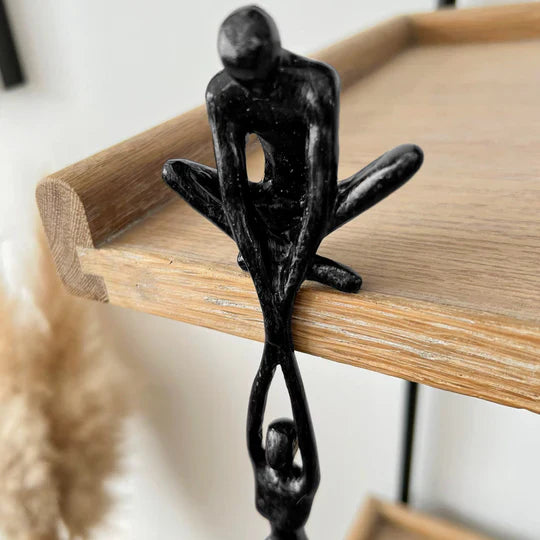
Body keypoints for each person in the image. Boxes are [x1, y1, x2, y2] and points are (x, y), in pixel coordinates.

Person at [162, 6, 423, 538]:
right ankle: (295, 261)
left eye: (263, 77)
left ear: (279, 55)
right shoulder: (223, 96)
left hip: (317, 210)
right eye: (244, 80)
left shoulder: (313, 84)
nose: (254, 90)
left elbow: (322, 190)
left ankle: (303, 260)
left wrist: (291, 265)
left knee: (403, 160)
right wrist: (265, 271)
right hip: (262, 212)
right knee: (177, 173)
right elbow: (233, 194)